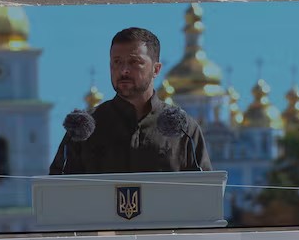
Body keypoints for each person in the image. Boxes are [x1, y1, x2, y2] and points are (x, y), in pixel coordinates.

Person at [50, 28, 211, 176]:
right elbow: (57, 191)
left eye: (134, 62)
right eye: (117, 62)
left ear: (156, 69)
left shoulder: (184, 130)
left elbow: (206, 193)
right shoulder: (83, 129)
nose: (123, 70)